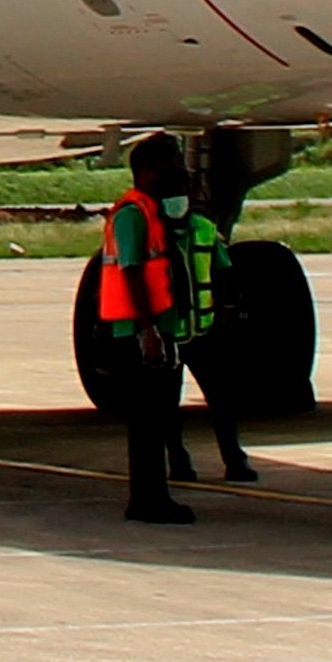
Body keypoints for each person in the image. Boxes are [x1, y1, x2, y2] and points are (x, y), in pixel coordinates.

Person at [98, 135, 197, 523]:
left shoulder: (156, 213)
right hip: (138, 334)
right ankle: (146, 500)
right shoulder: (132, 214)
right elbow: (133, 272)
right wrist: (148, 331)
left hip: (158, 329)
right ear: (149, 172)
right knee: (147, 422)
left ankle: (154, 496)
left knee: (159, 417)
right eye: (170, 165)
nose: (177, 173)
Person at [163, 183, 259, 486]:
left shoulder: (204, 229)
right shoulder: (153, 233)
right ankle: (178, 461)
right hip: (169, 333)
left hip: (204, 330)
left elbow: (224, 272)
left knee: (222, 399)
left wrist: (227, 314)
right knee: (167, 405)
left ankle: (234, 460)